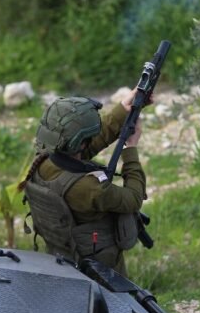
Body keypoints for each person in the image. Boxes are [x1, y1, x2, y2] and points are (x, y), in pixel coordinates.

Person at [19, 93, 145, 274]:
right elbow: (133, 198)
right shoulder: (89, 189)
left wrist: (122, 111)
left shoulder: (44, 162)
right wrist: (130, 149)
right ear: (81, 143)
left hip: (62, 261)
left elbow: (86, 146)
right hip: (102, 272)